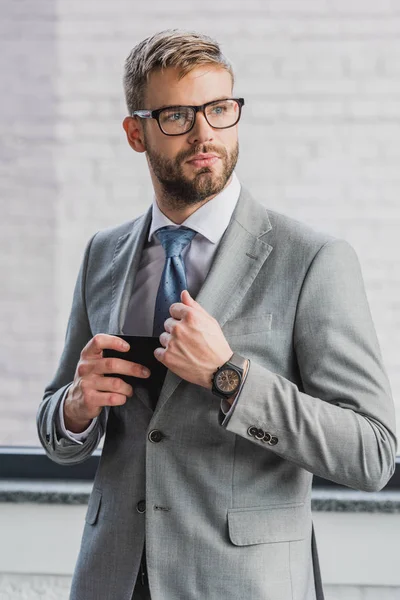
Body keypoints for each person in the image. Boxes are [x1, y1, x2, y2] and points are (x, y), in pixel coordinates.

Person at [36, 29, 397, 600]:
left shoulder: (312, 261)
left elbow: (372, 451)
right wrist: (77, 407)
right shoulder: (103, 254)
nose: (205, 133)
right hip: (112, 579)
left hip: (243, 585)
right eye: (178, 115)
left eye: (220, 109)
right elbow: (59, 434)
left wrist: (230, 377)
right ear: (137, 133)